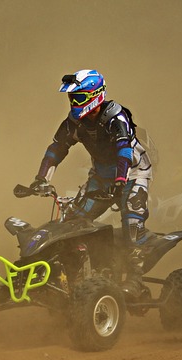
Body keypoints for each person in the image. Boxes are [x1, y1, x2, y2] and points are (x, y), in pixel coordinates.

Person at [28, 69, 152, 300]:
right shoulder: (75, 122)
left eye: (79, 97)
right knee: (74, 220)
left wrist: (120, 180)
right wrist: (41, 179)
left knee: (132, 221)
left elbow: (124, 149)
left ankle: (135, 280)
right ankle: (74, 277)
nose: (74, 102)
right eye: (72, 98)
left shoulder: (116, 116)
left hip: (133, 174)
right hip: (101, 176)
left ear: (94, 95)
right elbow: (57, 147)